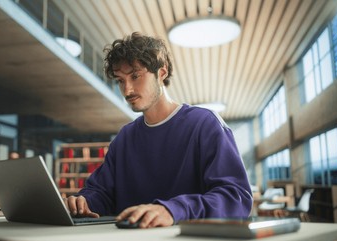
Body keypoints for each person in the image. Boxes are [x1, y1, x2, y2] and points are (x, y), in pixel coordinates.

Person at [65, 32, 253, 228]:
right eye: (121, 80)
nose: (127, 90)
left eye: (135, 76)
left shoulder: (204, 124)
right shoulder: (124, 138)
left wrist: (174, 210)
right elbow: (102, 193)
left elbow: (236, 197)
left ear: (161, 73)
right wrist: (83, 202)